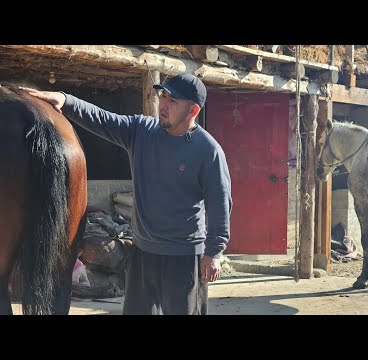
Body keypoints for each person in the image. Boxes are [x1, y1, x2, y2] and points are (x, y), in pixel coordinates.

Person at [20, 73, 232, 315]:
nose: (163, 104)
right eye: (163, 96)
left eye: (173, 101)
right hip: (143, 254)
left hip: (183, 257)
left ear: (193, 110)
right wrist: (65, 100)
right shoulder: (142, 132)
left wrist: (214, 252)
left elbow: (221, 204)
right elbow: (103, 119)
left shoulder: (208, 150)